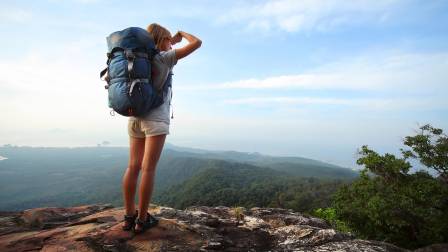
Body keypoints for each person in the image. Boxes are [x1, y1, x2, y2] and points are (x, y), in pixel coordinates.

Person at [121, 23, 201, 234]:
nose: (170, 43)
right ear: (161, 40)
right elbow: (197, 43)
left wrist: (169, 40)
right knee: (148, 169)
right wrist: (181, 33)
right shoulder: (164, 58)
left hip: (135, 119)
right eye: (167, 40)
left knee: (132, 167)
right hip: (155, 121)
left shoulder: (140, 59)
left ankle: (128, 217)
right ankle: (141, 219)